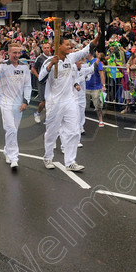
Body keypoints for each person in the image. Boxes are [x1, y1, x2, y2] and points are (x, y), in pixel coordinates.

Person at [39, 30, 102, 171]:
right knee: (52, 132)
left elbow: (87, 49)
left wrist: (98, 36)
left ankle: (70, 162)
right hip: (54, 102)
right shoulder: (49, 62)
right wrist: (50, 66)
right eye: (67, 45)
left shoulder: (71, 58)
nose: (70, 47)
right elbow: (41, 79)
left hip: (69, 100)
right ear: (58, 46)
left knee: (74, 132)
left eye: (70, 45)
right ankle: (48, 158)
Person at [0, 44, 31, 170]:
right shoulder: (3, 65)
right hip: (5, 102)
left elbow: (28, 85)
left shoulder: (24, 66)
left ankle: (7, 150)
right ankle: (14, 157)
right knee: (11, 128)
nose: (17, 55)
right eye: (14, 53)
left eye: (18, 53)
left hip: (18, 103)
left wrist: (26, 101)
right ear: (9, 53)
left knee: (13, 130)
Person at [32, 42, 53, 124]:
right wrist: (39, 76)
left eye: (48, 47)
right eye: (45, 48)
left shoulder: (52, 58)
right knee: (43, 102)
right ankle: (37, 113)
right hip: (42, 83)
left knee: (50, 101)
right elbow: (33, 69)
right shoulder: (40, 58)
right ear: (42, 49)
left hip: (50, 82)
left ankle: (47, 118)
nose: (47, 49)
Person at [84, 52, 106, 126]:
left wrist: (103, 85)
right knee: (83, 105)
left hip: (96, 87)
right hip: (86, 87)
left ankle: (100, 120)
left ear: (89, 54)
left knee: (98, 105)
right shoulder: (84, 62)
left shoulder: (97, 61)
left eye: (85, 53)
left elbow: (101, 74)